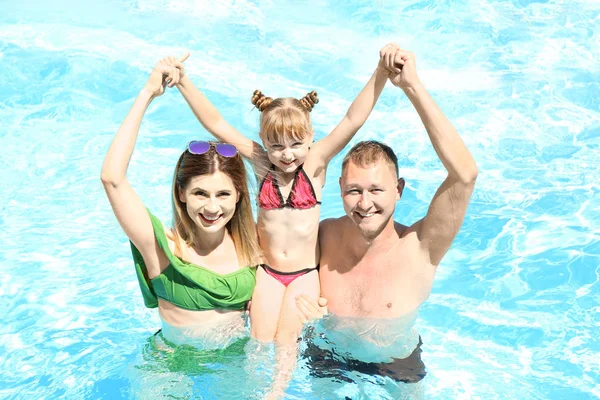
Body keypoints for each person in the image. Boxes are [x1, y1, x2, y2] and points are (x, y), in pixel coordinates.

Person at [161, 44, 401, 346]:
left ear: (311, 136)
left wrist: (380, 72)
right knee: (259, 342)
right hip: (268, 271)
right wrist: (183, 82)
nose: (287, 155)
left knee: (288, 345)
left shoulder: (315, 163)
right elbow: (217, 124)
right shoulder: (262, 164)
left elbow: (353, 119)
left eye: (296, 144)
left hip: (304, 273)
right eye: (276, 146)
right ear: (264, 140)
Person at [295, 45, 479, 386]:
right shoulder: (322, 235)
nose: (364, 203)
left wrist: (412, 87)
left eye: (376, 190)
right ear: (339, 189)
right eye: (354, 190)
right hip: (325, 357)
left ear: (399, 188)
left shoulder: (421, 247)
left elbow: (464, 175)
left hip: (397, 365)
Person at [101, 54, 262, 348]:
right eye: (200, 193)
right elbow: (112, 178)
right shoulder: (161, 247)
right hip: (172, 367)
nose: (212, 208)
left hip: (235, 364)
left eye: (223, 194)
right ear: (181, 193)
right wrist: (147, 93)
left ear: (239, 196)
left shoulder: (254, 242)